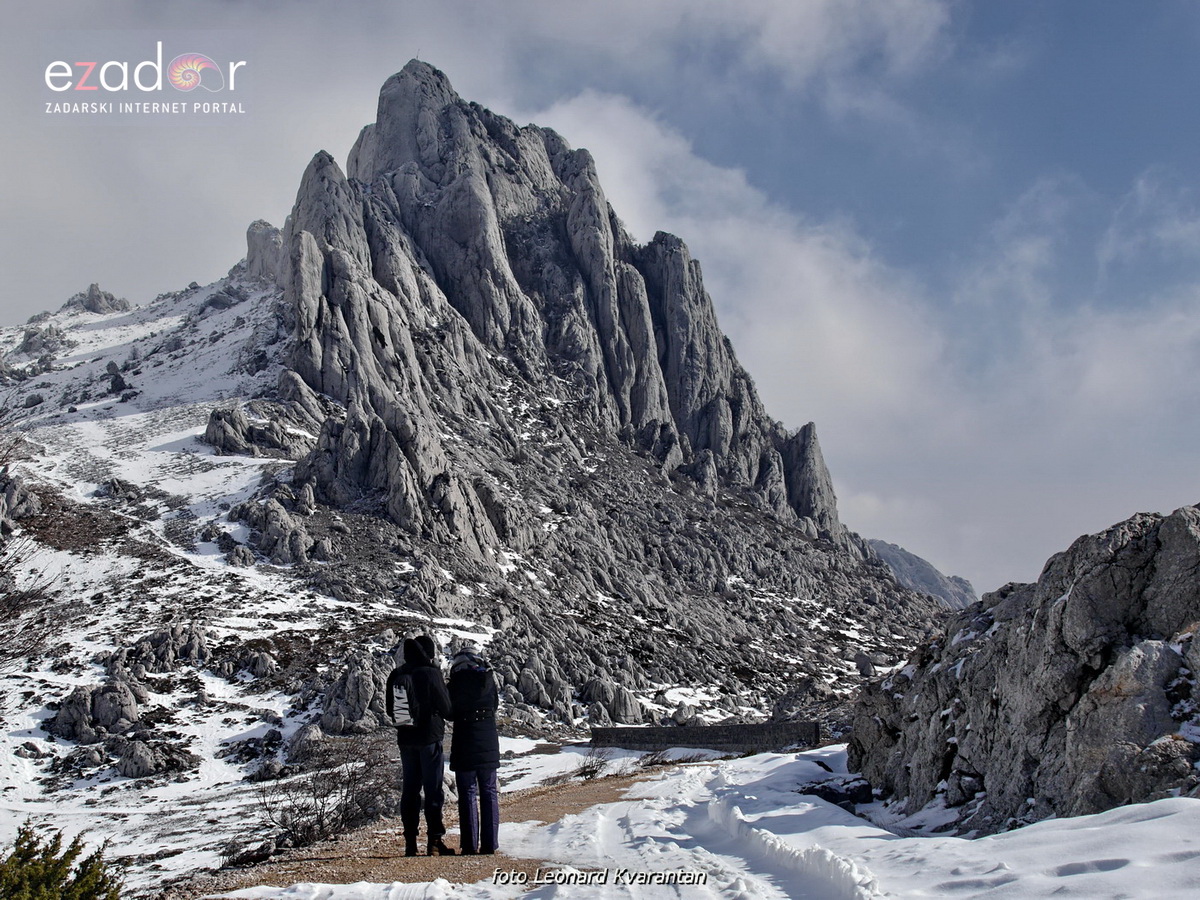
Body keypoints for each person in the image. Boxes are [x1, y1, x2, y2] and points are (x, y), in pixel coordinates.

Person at [385, 635, 455, 857]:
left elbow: (390, 710)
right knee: (433, 789)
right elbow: (447, 709)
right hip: (429, 739)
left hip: (406, 740)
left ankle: (410, 843)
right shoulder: (431, 673)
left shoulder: (396, 674)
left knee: (410, 790)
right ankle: (434, 841)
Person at [448, 646, 501, 855]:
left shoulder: (454, 684)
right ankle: (490, 844)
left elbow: (449, 712)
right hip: (488, 740)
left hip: (464, 740)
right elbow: (495, 706)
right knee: (489, 791)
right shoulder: (488, 680)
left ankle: (469, 845)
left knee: (467, 792)